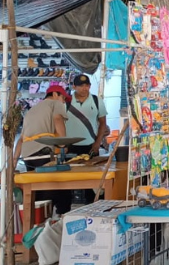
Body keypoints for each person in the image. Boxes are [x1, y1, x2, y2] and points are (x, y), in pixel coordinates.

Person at [16, 84, 74, 214]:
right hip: (43, 152)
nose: (64, 102)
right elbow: (58, 119)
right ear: (55, 94)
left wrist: (14, 162)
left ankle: (39, 221)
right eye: (63, 98)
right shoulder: (55, 103)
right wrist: (63, 144)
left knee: (39, 190)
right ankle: (60, 219)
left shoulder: (31, 111)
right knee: (61, 191)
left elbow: (21, 139)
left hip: (27, 156)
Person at [65, 74, 108, 157]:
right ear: (74, 87)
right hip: (70, 147)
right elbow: (60, 123)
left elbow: (103, 123)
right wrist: (63, 145)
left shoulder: (97, 101)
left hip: (91, 146)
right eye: (81, 86)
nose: (84, 88)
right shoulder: (66, 101)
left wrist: (98, 143)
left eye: (87, 85)